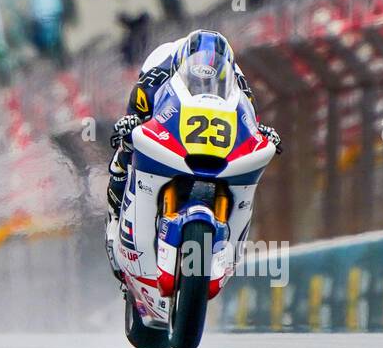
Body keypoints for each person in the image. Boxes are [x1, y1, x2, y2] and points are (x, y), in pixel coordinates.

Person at [103, 30, 282, 278]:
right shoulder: (155, 76)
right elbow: (135, 112)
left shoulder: (239, 86)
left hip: (209, 144)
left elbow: (248, 122)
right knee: (127, 146)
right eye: (200, 80)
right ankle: (115, 216)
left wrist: (263, 134)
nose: (206, 85)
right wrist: (129, 125)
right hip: (168, 127)